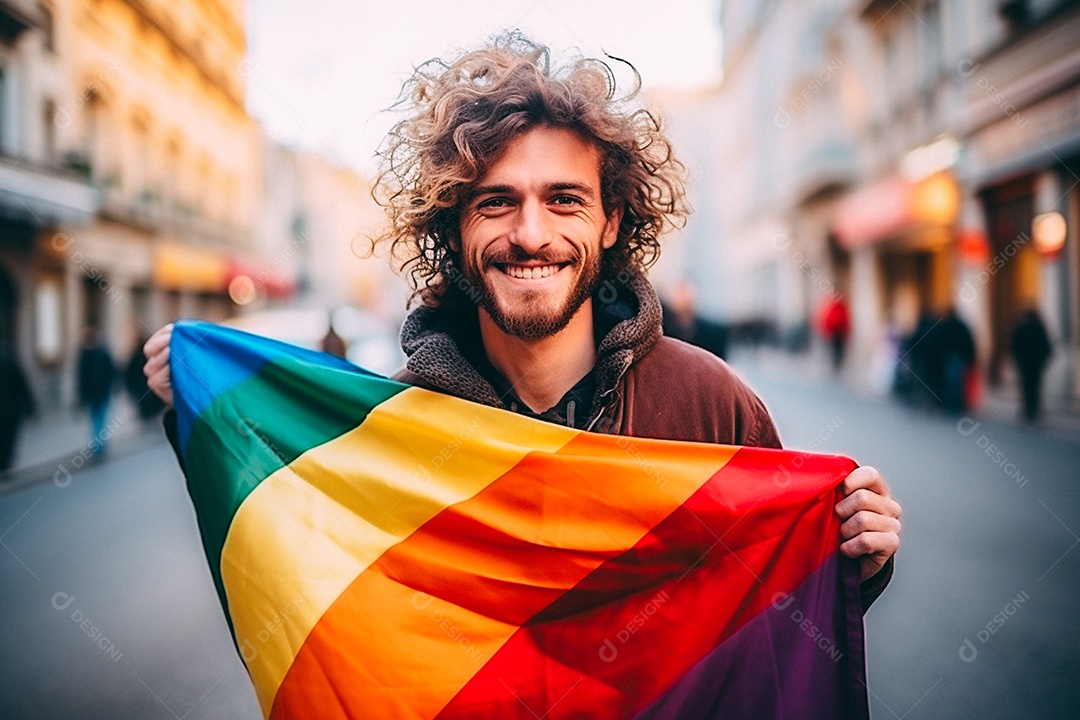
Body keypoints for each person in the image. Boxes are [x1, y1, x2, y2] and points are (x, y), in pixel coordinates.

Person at [144, 33, 899, 608]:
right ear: (455, 229)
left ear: (611, 223)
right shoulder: (393, 431)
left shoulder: (709, 407)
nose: (531, 235)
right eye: (495, 202)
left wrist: (854, 558)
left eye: (564, 199)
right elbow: (312, 588)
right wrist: (215, 413)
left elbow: (775, 616)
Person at [661, 280, 729, 359]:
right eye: (680, 292)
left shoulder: (715, 333)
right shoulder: (663, 330)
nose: (683, 297)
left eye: (685, 291)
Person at [78, 326, 116, 457]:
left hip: (99, 392)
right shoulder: (97, 354)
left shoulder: (90, 355)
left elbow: (110, 372)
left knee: (98, 418)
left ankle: (98, 443)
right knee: (98, 418)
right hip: (98, 392)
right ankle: (98, 443)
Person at [1011, 306, 1053, 422]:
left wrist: (1018, 360)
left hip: (1027, 364)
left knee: (1027, 386)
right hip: (1034, 363)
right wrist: (1042, 360)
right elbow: (1046, 346)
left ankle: (1029, 409)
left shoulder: (1022, 328)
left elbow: (1015, 346)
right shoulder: (1038, 327)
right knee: (1034, 386)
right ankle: (1032, 408)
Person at [0, 342, 35, 472]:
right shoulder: (9, 361)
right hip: (11, 408)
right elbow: (22, 384)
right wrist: (30, 406)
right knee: (9, 437)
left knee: (7, 436)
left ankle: (4, 462)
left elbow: (22, 384)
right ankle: (5, 462)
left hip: (10, 408)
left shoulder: (9, 361)